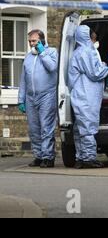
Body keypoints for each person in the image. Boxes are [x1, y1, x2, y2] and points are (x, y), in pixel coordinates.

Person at [68, 25, 108, 169]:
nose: (95, 39)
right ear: (88, 36)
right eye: (93, 36)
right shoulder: (86, 52)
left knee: (80, 128)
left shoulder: (79, 51)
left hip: (82, 94)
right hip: (86, 95)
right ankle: (88, 158)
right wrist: (106, 66)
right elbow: (95, 73)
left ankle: (81, 157)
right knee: (87, 127)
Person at [18, 30, 58, 168]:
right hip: (30, 97)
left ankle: (48, 157)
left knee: (46, 127)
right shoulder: (28, 57)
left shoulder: (51, 52)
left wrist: (43, 53)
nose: (31, 44)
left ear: (41, 40)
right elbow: (23, 80)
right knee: (34, 129)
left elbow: (52, 67)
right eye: (30, 41)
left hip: (47, 95)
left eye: (34, 41)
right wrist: (20, 99)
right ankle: (39, 156)